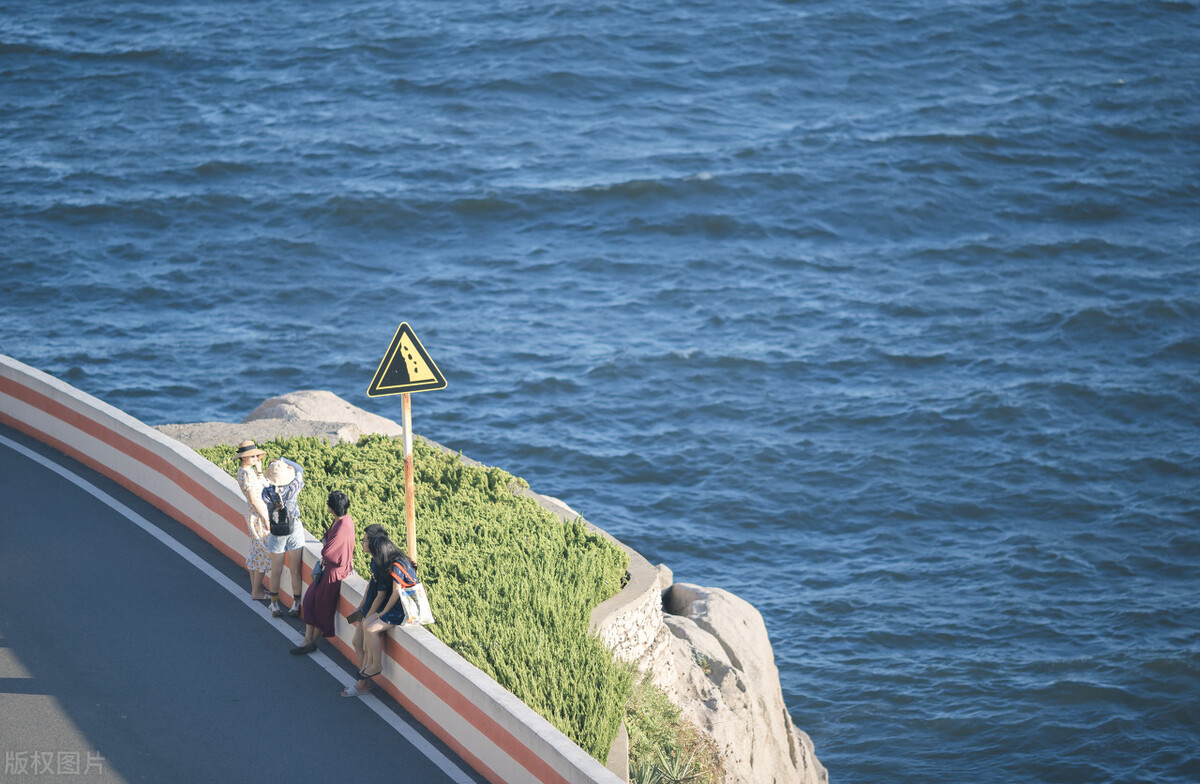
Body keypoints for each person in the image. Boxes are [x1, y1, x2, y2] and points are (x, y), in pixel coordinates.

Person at [349, 534, 418, 696]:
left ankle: (376, 665)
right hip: (397, 605)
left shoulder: (397, 566)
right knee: (367, 625)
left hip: (402, 608)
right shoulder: (395, 561)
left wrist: (382, 613)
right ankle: (372, 664)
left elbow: (396, 593)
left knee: (371, 629)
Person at [291, 490, 357, 656]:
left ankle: (310, 641)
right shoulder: (341, 521)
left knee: (321, 607)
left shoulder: (343, 526)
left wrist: (326, 542)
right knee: (310, 601)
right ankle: (309, 640)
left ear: (332, 508)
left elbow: (328, 552)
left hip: (334, 572)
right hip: (329, 569)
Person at [341, 524, 388, 697]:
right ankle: (364, 680)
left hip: (374, 612)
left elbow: (381, 595)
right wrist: (361, 605)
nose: (362, 542)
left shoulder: (380, 564)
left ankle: (363, 683)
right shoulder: (374, 561)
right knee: (357, 643)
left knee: (365, 648)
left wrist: (368, 616)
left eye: (365, 540)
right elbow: (371, 585)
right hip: (368, 609)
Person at [263, 457, 306, 618]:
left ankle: (274, 605)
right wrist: (284, 459)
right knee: (295, 570)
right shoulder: (293, 487)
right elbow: (299, 469)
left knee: (276, 571)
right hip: (293, 528)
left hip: (276, 532)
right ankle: (296, 604)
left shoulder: (267, 492)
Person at [234, 440, 271, 600]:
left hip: (255, 513)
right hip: (257, 515)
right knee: (263, 550)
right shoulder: (245, 473)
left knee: (257, 549)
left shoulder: (248, 472)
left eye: (257, 455)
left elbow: (265, 485)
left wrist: (260, 470)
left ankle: (256, 589)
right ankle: (256, 591)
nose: (256, 458)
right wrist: (266, 519)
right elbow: (254, 500)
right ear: (244, 458)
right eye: (252, 456)